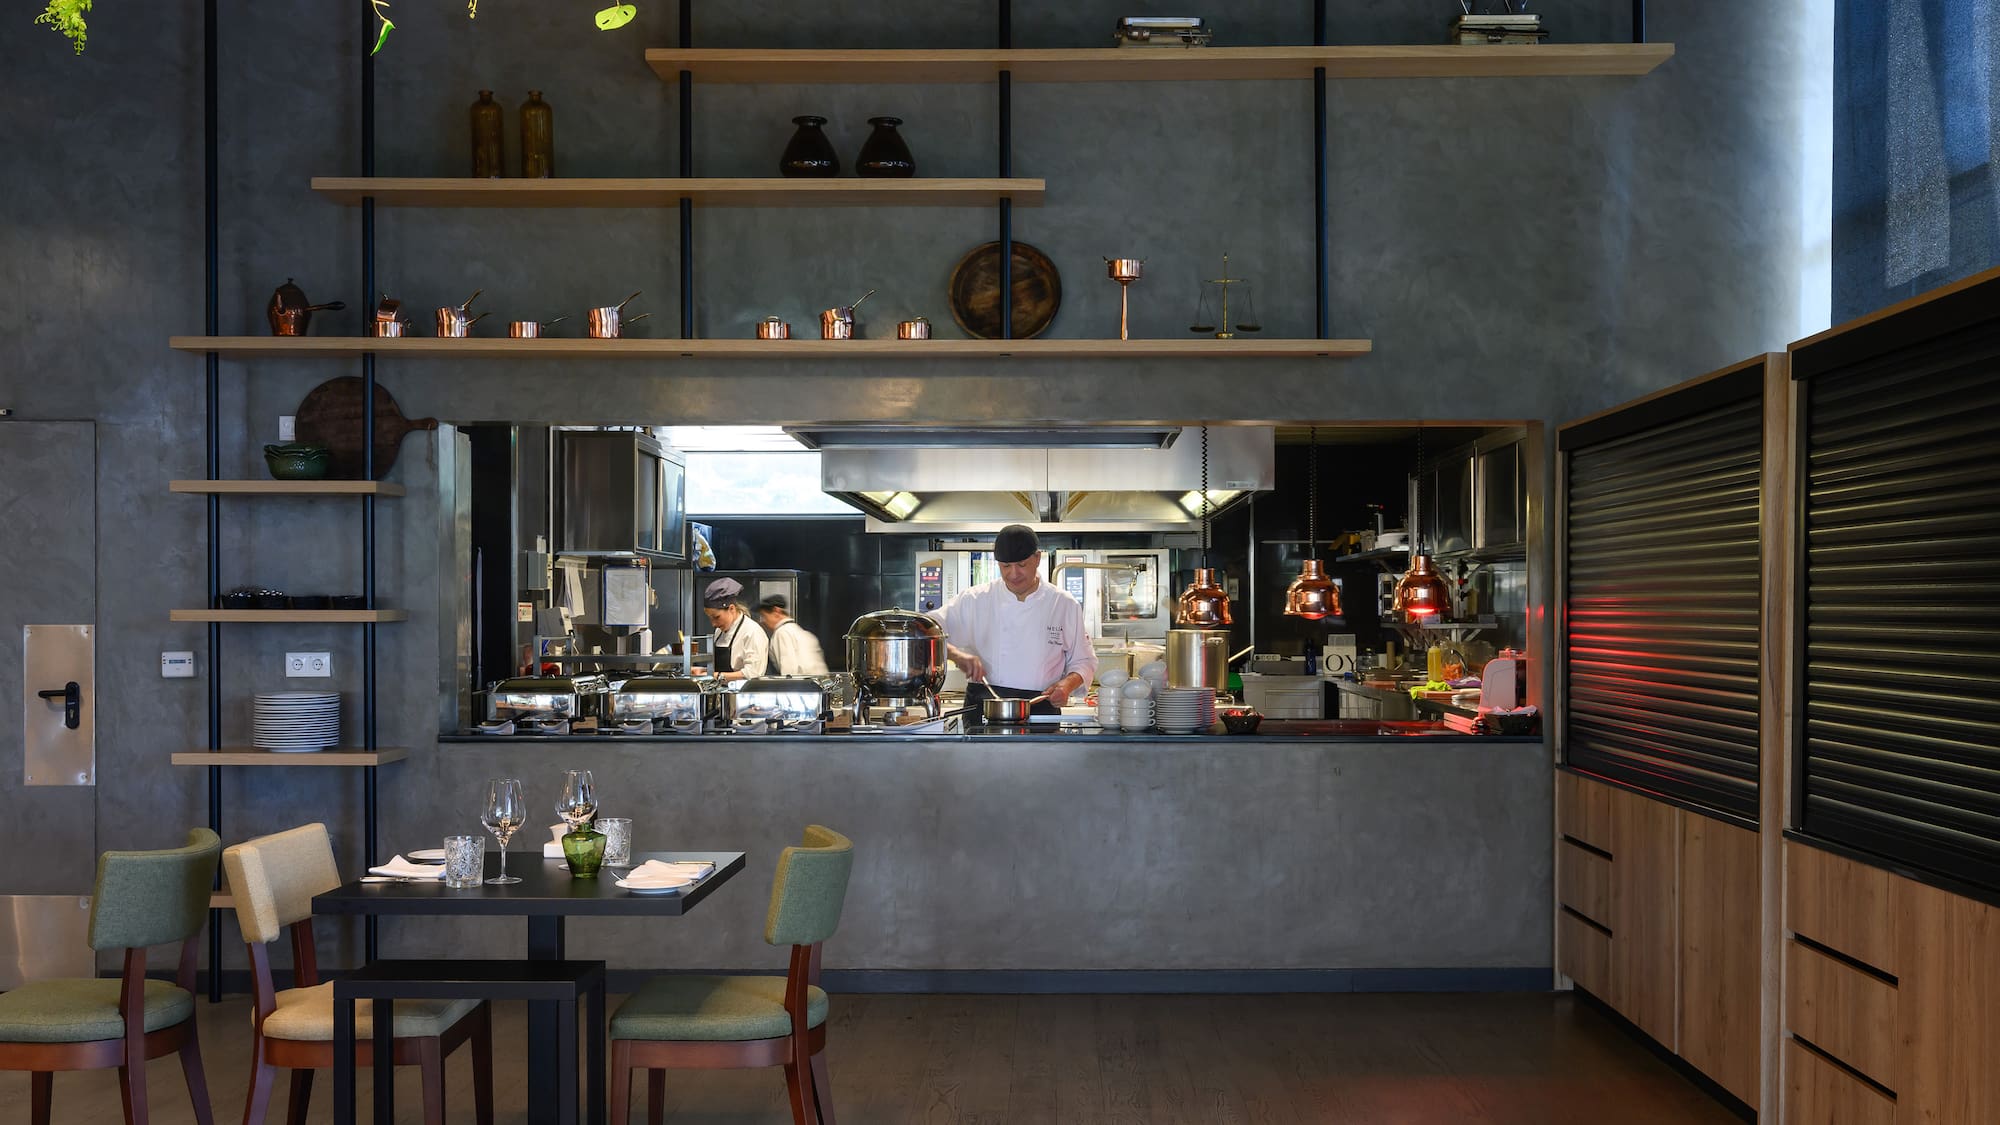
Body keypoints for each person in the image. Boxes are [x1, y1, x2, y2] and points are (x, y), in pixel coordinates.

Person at [928, 524, 1097, 718]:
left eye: (1022, 565)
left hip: (1040, 707)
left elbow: (1084, 661)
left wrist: (1067, 685)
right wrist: (956, 655)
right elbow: (925, 631)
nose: (1014, 574)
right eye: (1006, 566)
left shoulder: (1063, 604)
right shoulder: (974, 599)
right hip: (983, 709)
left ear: (1037, 558)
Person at [701, 577, 768, 683]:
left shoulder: (752, 632)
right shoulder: (719, 632)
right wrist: (702, 672)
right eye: (710, 618)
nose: (713, 624)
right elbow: (721, 671)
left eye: (716, 617)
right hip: (720, 694)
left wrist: (715, 676)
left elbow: (753, 673)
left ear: (731, 609)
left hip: (742, 696)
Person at [755, 594, 829, 676]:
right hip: (819, 685)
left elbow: (789, 672)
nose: (763, 621)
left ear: (776, 611)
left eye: (764, 616)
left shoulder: (782, 633)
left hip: (803, 687)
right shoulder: (803, 633)